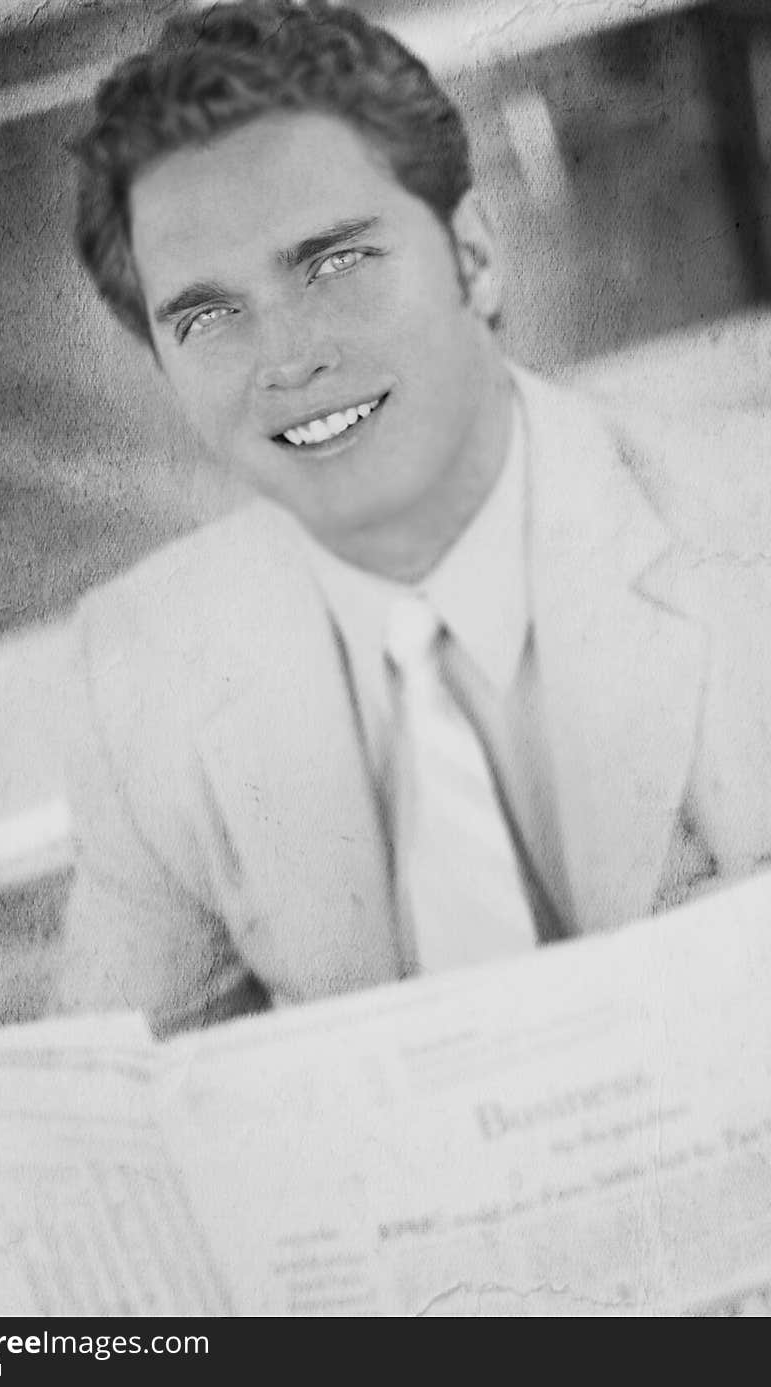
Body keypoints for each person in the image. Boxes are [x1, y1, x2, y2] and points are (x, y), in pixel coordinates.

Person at [57, 0, 771, 1034]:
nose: (287, 357)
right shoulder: (142, 665)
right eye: (208, 315)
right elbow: (114, 1101)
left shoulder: (750, 525)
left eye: (335, 261)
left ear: (473, 256)